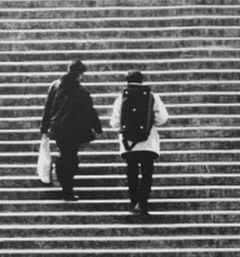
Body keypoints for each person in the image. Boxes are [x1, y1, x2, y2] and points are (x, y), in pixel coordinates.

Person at [40, 59, 103, 201]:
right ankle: (67, 189)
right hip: (73, 131)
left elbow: (48, 108)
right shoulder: (81, 91)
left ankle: (62, 177)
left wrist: (44, 128)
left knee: (65, 155)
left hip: (58, 129)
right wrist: (98, 129)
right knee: (71, 159)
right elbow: (90, 111)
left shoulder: (55, 86)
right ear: (79, 74)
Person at [109, 70, 169, 216]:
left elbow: (114, 122)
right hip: (148, 142)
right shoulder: (152, 96)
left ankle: (134, 202)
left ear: (126, 81)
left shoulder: (121, 98)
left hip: (129, 144)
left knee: (132, 173)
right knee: (147, 174)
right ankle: (143, 203)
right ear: (142, 80)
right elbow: (162, 118)